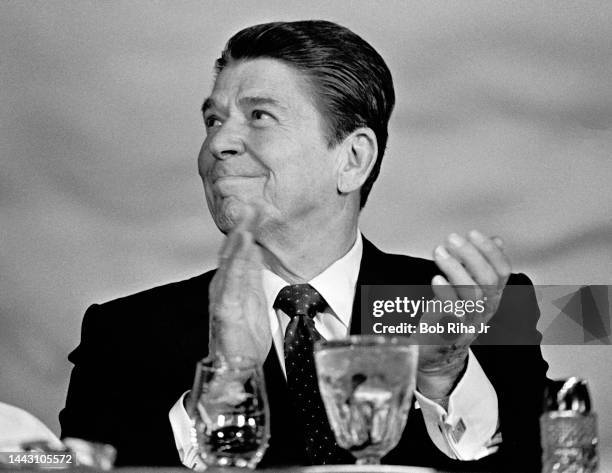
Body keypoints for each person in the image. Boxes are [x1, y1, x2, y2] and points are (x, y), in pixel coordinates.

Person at [60, 20, 548, 471]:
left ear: (352, 159)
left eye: (259, 116)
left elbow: (545, 462)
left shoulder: (481, 307)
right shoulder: (123, 334)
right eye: (213, 121)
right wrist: (227, 383)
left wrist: (444, 376)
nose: (218, 144)